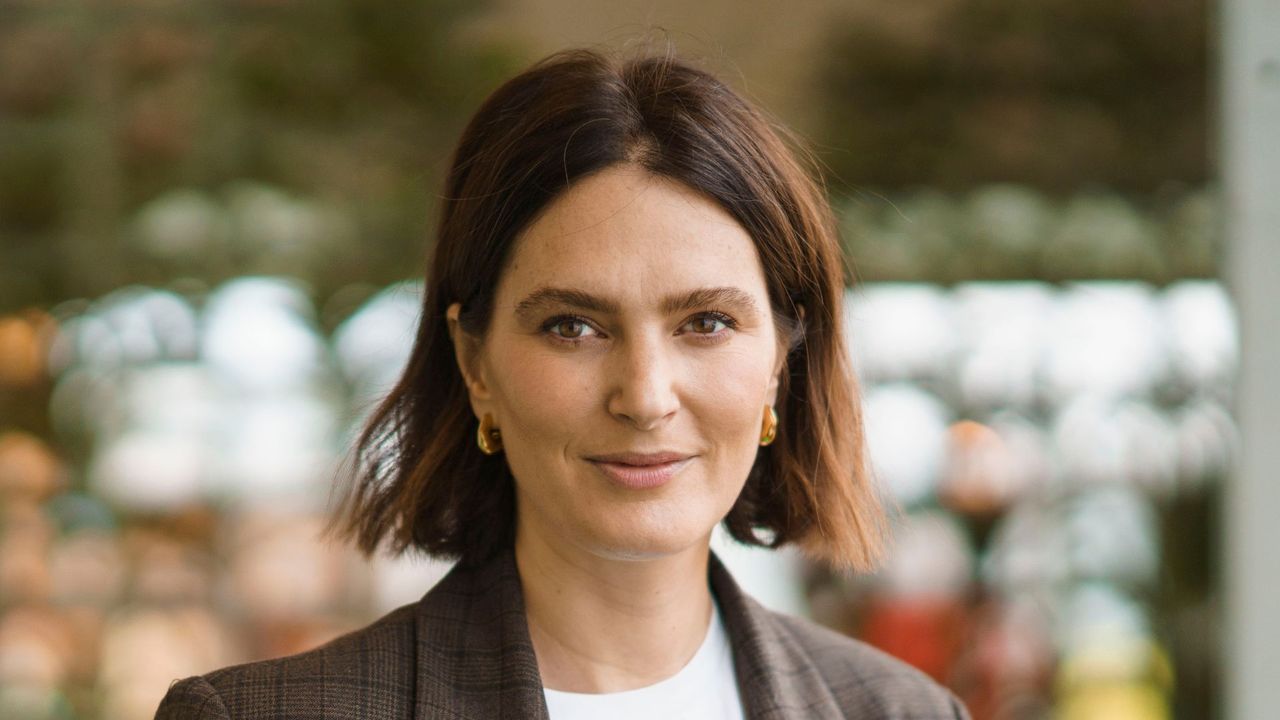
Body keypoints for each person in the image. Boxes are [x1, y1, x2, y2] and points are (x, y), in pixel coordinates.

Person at [155, 46, 970, 719]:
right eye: (572, 327)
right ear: (475, 365)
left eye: (706, 323)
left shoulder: (907, 713)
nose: (646, 395)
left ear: (781, 364)